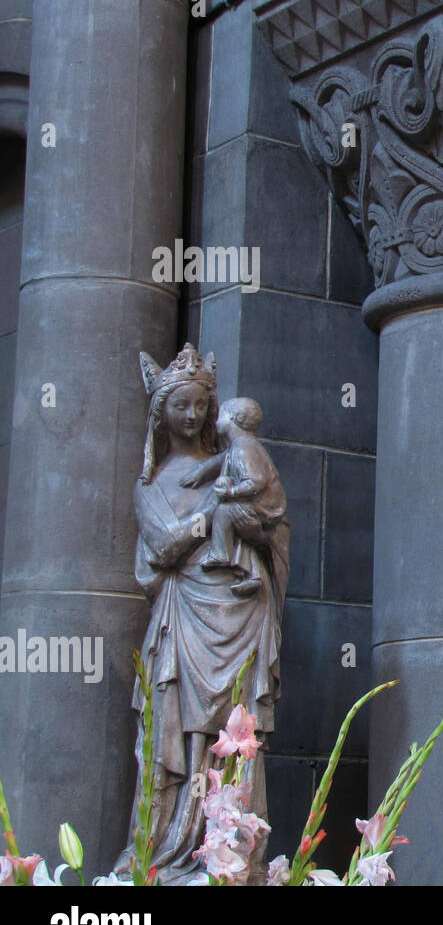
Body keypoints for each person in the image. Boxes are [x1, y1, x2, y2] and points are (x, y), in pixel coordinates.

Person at [115, 344, 289, 885]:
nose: (191, 417)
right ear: (160, 415)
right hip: (184, 618)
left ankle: (230, 855)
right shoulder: (152, 483)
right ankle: (167, 851)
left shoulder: (238, 458)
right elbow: (164, 548)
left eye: (200, 405)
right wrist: (213, 511)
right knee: (171, 731)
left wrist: (255, 522)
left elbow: (269, 522)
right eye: (180, 407)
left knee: (234, 734)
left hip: (240, 611)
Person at [193, 397, 287, 599]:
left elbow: (255, 482)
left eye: (220, 415)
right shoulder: (240, 446)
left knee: (225, 511)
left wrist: (231, 492)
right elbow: (224, 459)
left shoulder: (243, 447)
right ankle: (251, 574)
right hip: (255, 510)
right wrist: (202, 471)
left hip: (262, 511)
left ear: (234, 418)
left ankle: (220, 553)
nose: (216, 421)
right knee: (237, 530)